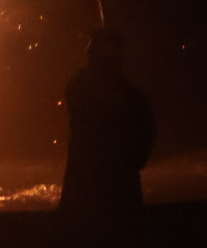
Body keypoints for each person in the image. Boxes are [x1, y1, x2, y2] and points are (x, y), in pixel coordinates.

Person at [58, 27, 155, 217]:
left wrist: (135, 161)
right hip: (97, 182)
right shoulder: (128, 94)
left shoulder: (129, 95)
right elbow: (147, 131)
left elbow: (147, 130)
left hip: (98, 184)